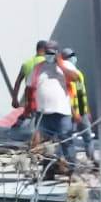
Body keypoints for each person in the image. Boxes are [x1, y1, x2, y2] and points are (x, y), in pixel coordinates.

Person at [28, 46, 79, 176]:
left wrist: (60, 63)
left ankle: (72, 170)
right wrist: (29, 106)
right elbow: (30, 87)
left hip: (62, 112)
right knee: (46, 145)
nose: (49, 55)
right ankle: (48, 171)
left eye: (52, 53)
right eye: (47, 53)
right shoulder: (38, 68)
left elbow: (75, 78)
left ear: (57, 53)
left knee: (66, 141)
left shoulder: (66, 65)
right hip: (43, 112)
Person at [62, 47, 99, 166]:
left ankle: (92, 159)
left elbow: (81, 93)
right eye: (70, 56)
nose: (73, 58)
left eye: (73, 55)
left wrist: (86, 110)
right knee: (67, 139)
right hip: (70, 112)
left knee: (87, 136)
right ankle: (69, 163)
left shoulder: (78, 74)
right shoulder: (63, 76)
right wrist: (75, 113)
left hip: (80, 111)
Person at [9, 39, 51, 123]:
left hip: (29, 98)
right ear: (43, 49)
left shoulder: (27, 63)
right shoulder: (47, 63)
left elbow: (18, 82)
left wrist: (14, 99)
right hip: (43, 98)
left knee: (29, 119)